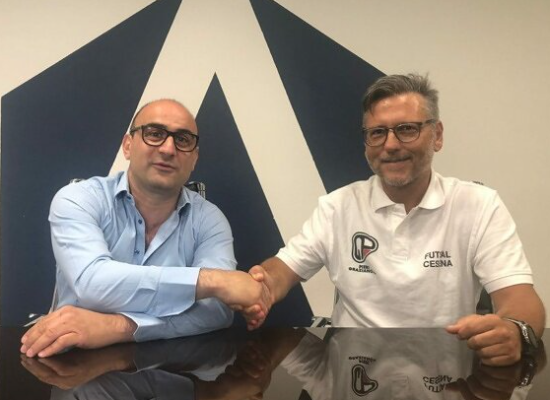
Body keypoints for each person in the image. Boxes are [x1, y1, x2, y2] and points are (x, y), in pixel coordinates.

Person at [243, 74, 545, 366]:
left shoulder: (479, 205)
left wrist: (515, 331)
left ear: (437, 135)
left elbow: (520, 299)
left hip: (449, 374)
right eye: (377, 133)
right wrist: (262, 285)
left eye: (406, 129)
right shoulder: (337, 207)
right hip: (353, 371)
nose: (390, 145)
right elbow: (282, 271)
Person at [20, 99, 269, 358]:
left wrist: (119, 327)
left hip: (172, 368)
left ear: (194, 158)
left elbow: (216, 311)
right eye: (154, 134)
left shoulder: (210, 220)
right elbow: (92, 284)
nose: (168, 149)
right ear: (128, 145)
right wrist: (214, 281)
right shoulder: (79, 199)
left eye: (183, 139)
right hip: (70, 361)